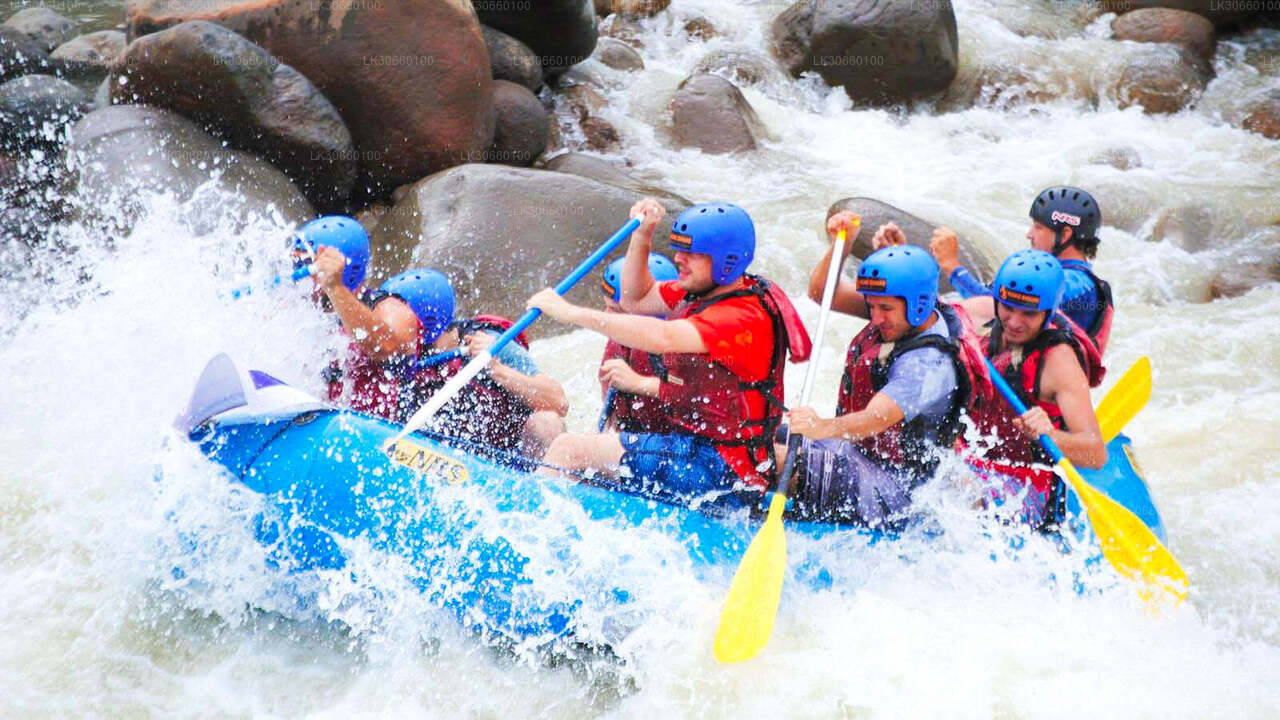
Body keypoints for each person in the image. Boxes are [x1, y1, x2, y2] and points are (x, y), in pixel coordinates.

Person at [526, 198, 811, 508]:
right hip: (712, 453)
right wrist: (643, 235)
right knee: (590, 451)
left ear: (725, 261)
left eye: (692, 253)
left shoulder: (742, 317)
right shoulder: (708, 291)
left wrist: (571, 314)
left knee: (568, 449)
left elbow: (663, 337)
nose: (678, 259)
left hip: (716, 465)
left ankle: (533, 519)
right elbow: (636, 300)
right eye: (679, 250)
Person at [785, 212, 992, 529]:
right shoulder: (904, 312)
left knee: (775, 458)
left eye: (885, 308)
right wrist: (843, 245)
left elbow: (876, 418)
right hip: (861, 454)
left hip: (899, 491)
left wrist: (822, 427)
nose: (875, 317)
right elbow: (822, 293)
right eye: (871, 305)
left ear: (918, 304)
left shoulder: (927, 364)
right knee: (760, 434)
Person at [959, 249, 1107, 530]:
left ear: (1048, 312)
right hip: (971, 464)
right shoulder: (978, 314)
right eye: (1008, 308)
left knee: (957, 484)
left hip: (1029, 485)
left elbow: (1096, 454)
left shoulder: (1059, 361)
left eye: (1028, 313)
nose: (1015, 322)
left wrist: (1050, 435)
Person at [393, 270, 568, 462]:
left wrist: (495, 368)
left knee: (547, 422)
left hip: (511, 456)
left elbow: (558, 402)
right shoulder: (394, 354)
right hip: (443, 453)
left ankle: (548, 478)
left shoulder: (490, 343)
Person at [929, 187, 1113, 353]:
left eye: (1038, 227)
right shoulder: (1070, 278)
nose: (1029, 234)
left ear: (1065, 235)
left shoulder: (1074, 284)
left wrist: (952, 267)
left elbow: (998, 307)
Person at [296, 215, 423, 422]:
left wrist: (335, 287)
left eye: (302, 263)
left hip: (382, 431)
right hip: (322, 424)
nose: (297, 273)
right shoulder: (304, 315)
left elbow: (385, 347)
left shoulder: (392, 309)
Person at [597, 253, 679, 433]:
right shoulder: (619, 343)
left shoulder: (684, 349)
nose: (606, 317)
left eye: (616, 311)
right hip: (636, 437)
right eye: (607, 307)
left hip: (680, 443)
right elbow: (610, 419)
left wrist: (637, 383)